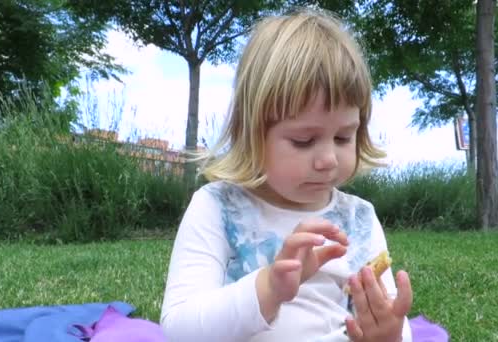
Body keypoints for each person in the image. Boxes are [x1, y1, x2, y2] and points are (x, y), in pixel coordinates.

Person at [160, 8, 413, 342]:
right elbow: (180, 329)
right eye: (303, 141)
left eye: (342, 137)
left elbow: (384, 311)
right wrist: (267, 288)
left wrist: (390, 334)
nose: (327, 160)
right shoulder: (217, 208)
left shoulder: (358, 218)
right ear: (252, 134)